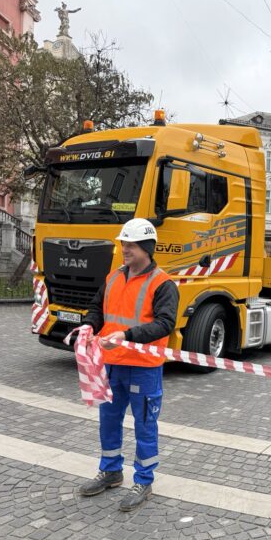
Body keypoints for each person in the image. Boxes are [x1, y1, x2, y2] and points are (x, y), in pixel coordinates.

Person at [80, 218, 179, 511]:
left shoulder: (162, 284)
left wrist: (126, 336)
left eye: (131, 245)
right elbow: (98, 308)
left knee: (144, 425)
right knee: (108, 421)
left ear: (146, 248)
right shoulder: (113, 277)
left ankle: (144, 480)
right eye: (123, 243)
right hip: (111, 363)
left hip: (143, 367)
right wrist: (88, 325)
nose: (124, 249)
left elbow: (165, 323)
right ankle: (110, 471)